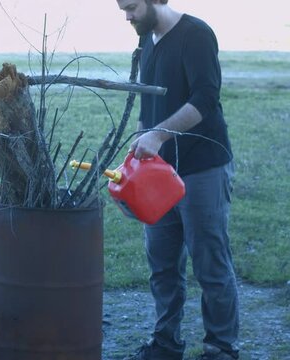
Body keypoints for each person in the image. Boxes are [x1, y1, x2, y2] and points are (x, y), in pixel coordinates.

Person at [114, 1, 239, 359]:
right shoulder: (148, 42)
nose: (127, 16)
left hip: (203, 168)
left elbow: (205, 100)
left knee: (210, 262)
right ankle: (166, 343)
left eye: (132, 7)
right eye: (122, 9)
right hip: (157, 174)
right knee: (163, 264)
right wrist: (131, 163)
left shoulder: (195, 35)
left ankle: (220, 346)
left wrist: (158, 136)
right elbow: (146, 108)